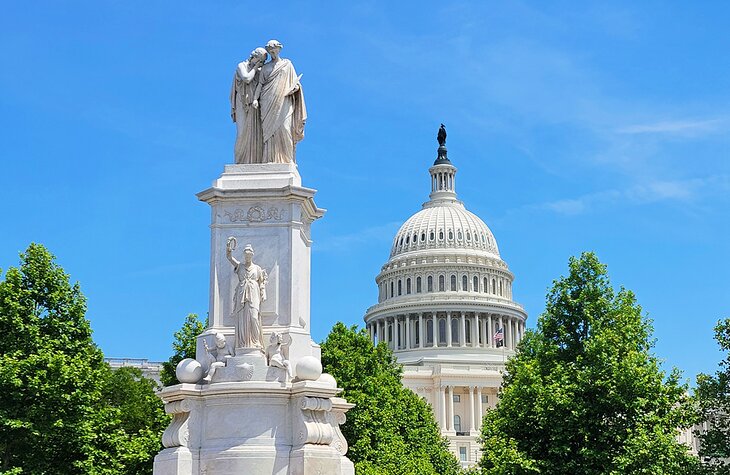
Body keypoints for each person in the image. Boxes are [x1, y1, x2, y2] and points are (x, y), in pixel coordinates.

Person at [252, 39, 306, 163]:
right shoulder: (265, 68)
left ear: (279, 50)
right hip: (267, 100)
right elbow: (260, 84)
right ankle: (269, 159)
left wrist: (296, 88)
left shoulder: (287, 64)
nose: (273, 53)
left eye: (274, 50)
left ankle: (287, 159)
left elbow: (296, 82)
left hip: (284, 100)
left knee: (285, 128)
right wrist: (255, 99)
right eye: (270, 51)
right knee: (268, 132)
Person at [226, 238, 268, 352]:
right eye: (246, 254)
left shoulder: (257, 268)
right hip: (242, 292)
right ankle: (243, 342)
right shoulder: (239, 266)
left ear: (252, 255)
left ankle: (256, 342)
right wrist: (228, 249)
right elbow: (229, 258)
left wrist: (263, 292)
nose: (247, 256)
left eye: (249, 254)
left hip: (254, 292)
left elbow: (262, 282)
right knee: (242, 318)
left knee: (254, 316)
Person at [230, 47, 267, 163]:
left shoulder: (259, 71)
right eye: (259, 60)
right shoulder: (242, 65)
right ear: (254, 56)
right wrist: (256, 68)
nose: (261, 63)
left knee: (255, 134)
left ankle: (253, 161)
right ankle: (239, 161)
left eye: (262, 62)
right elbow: (246, 78)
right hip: (242, 102)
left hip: (254, 105)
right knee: (242, 133)